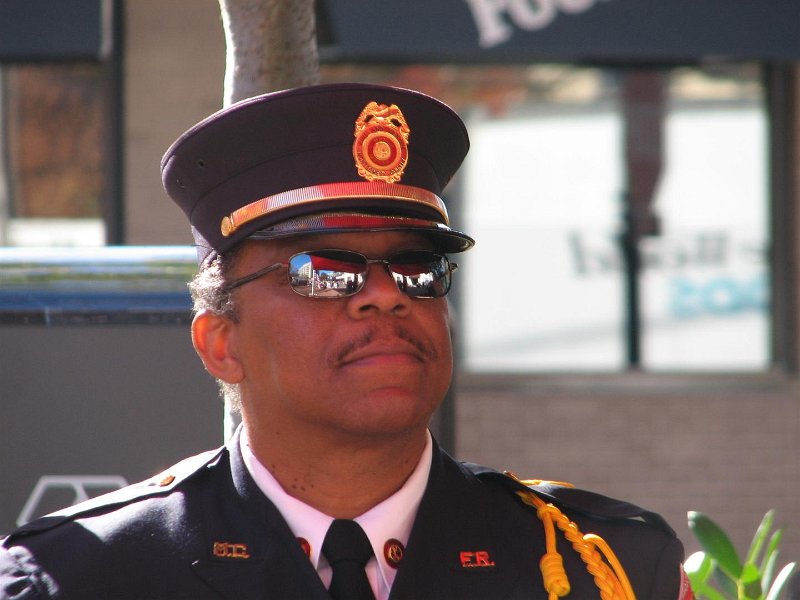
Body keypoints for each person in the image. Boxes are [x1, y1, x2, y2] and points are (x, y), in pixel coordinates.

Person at [0, 83, 692, 599]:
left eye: (418, 269)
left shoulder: (603, 567)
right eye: (324, 272)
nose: (386, 292)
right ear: (220, 342)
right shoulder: (82, 573)